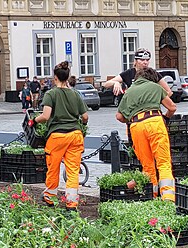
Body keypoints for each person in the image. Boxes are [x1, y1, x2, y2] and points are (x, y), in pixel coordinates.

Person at [30, 61, 89, 211]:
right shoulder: (75, 94)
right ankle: (71, 203)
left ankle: (50, 197)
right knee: (73, 170)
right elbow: (85, 117)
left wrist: (34, 121)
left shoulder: (51, 94)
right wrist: (80, 123)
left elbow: (46, 115)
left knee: (53, 167)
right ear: (67, 78)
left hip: (57, 136)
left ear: (55, 78)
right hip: (75, 135)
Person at [116, 67, 177, 202]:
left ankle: (152, 196)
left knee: (147, 166)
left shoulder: (129, 91)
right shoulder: (155, 87)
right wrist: (166, 118)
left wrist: (131, 117)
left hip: (136, 126)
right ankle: (168, 198)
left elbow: (119, 116)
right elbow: (172, 107)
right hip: (155, 122)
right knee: (163, 162)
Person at [103, 48, 172, 98]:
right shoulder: (129, 73)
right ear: (135, 61)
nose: (145, 62)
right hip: (133, 108)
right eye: (142, 60)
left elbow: (169, 92)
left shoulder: (153, 74)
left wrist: (156, 100)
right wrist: (116, 83)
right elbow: (106, 84)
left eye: (147, 60)